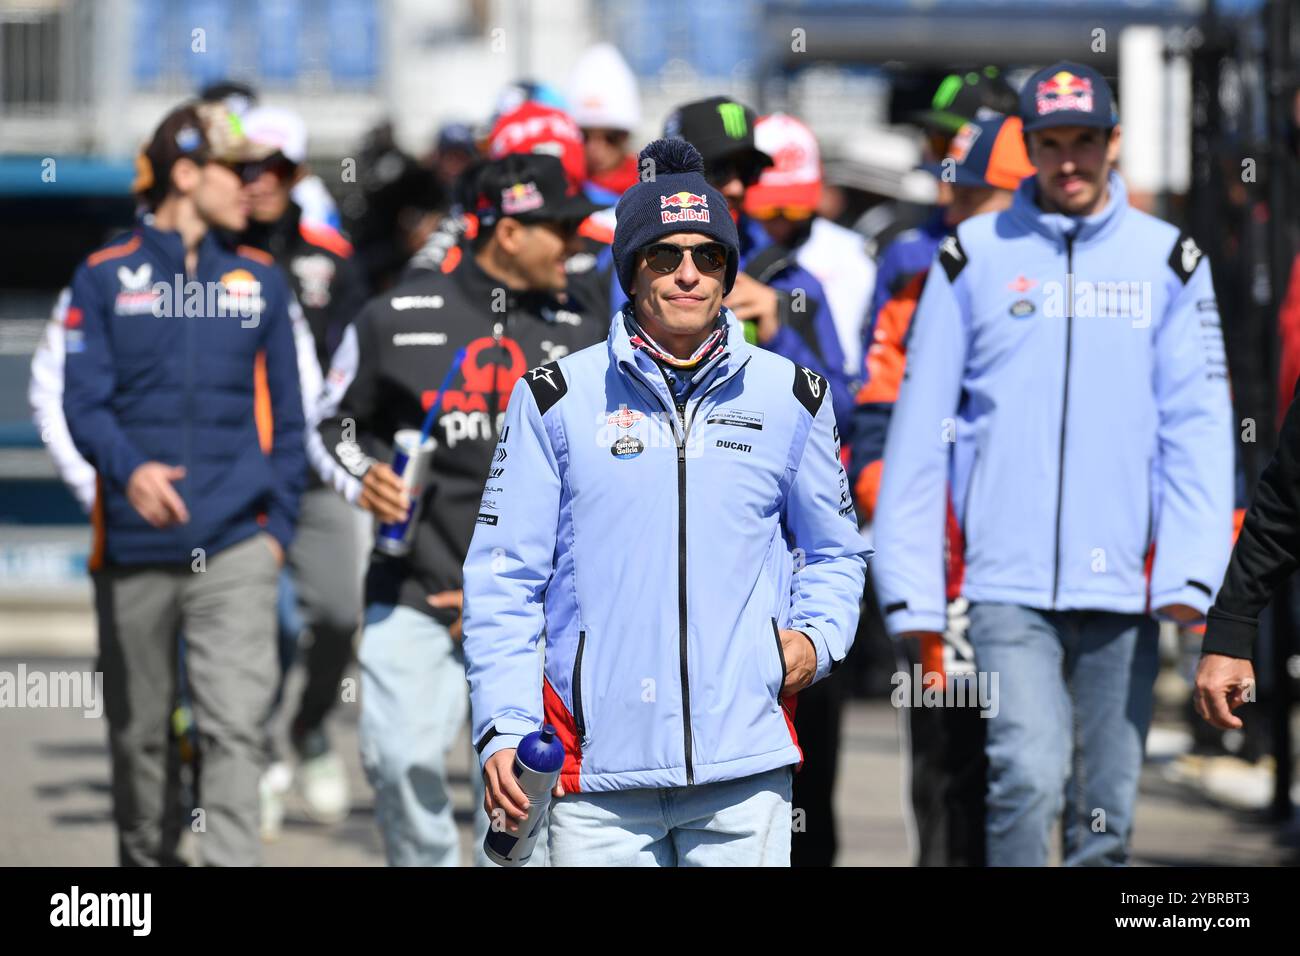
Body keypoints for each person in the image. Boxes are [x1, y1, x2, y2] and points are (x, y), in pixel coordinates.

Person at [463, 139, 870, 867]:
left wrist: (816, 638)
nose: (688, 273)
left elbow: (836, 550)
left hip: (744, 775)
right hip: (596, 780)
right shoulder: (554, 398)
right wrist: (502, 724)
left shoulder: (793, 395)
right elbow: (503, 578)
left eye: (709, 256)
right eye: (663, 255)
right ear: (630, 270)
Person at [872, 62, 1234, 866]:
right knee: (1026, 777)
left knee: (1103, 807)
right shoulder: (972, 255)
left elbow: (1199, 427)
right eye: (1050, 144)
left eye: (1085, 142)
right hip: (1006, 585)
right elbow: (921, 425)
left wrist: (1190, 574)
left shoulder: (1169, 259)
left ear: (1114, 142)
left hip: (1127, 586)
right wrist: (911, 593)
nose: (1068, 161)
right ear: (1028, 146)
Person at [315, 153, 606, 866]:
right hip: (415, 591)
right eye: (559, 229)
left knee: (516, 811)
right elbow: (331, 426)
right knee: (398, 763)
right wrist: (365, 479)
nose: (574, 246)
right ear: (508, 231)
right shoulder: (394, 316)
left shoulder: (593, 320)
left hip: (534, 615)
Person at [62, 101, 307, 866]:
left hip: (238, 546)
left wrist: (276, 535)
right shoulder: (103, 275)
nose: (253, 185)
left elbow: (293, 426)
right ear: (186, 173)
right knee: (139, 738)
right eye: (238, 170)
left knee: (234, 725)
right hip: (134, 548)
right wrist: (129, 470)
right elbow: (82, 402)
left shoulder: (262, 280)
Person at [851, 114, 1036, 867]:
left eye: (975, 196)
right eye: (953, 194)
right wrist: (898, 514)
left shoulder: (1073, 275)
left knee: (1033, 768)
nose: (952, 208)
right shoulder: (916, 267)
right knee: (945, 768)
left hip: (1042, 567)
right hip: (946, 569)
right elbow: (876, 410)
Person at [741, 110, 876, 866]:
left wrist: (779, 329)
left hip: (792, 566)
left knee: (808, 777)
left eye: (795, 215)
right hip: (696, 566)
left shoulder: (802, 288)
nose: (782, 230)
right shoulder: (663, 268)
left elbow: (846, 404)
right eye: (766, 210)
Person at [239, 105, 370, 831]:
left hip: (316, 466)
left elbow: (352, 368)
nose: (258, 182)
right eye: (247, 166)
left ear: (295, 174)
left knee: (339, 615)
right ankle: (255, 756)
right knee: (266, 625)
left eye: (275, 168)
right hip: (239, 469)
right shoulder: (212, 248)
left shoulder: (331, 255)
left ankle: (308, 727)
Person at [566, 43, 642, 202]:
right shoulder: (563, 187)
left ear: (626, 136)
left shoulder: (650, 190)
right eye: (584, 136)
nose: (596, 148)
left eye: (611, 137)